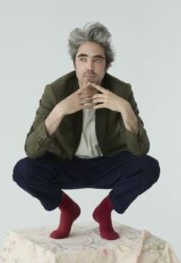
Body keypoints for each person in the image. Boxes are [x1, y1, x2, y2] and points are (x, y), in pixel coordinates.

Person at [13, 22, 159, 240]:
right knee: (24, 170)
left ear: (106, 64)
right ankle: (67, 209)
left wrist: (124, 108)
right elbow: (32, 150)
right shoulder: (56, 91)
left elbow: (140, 150)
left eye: (97, 59)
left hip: (106, 164)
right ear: (75, 62)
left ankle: (104, 211)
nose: (89, 66)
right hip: (66, 164)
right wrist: (60, 110)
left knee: (148, 166)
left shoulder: (121, 91)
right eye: (83, 59)